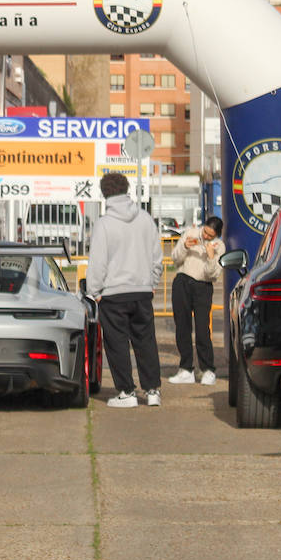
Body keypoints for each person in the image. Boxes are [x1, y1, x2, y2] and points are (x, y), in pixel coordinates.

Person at [87, 172, 163, 408]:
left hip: (112, 294)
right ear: (127, 189)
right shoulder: (145, 219)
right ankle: (152, 391)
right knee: (146, 341)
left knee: (117, 343)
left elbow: (98, 262)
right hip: (141, 291)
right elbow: (157, 257)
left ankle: (127, 392)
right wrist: (151, 283)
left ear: (104, 193)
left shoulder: (104, 224)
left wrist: (94, 291)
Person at [167, 216, 224, 385]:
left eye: (210, 235)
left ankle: (207, 369)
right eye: (205, 232)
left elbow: (212, 274)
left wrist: (211, 256)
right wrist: (185, 247)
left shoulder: (219, 246)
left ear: (217, 235)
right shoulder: (190, 234)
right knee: (182, 326)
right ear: (203, 227)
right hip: (182, 281)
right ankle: (186, 369)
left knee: (202, 328)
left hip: (203, 286)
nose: (206, 236)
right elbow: (175, 258)